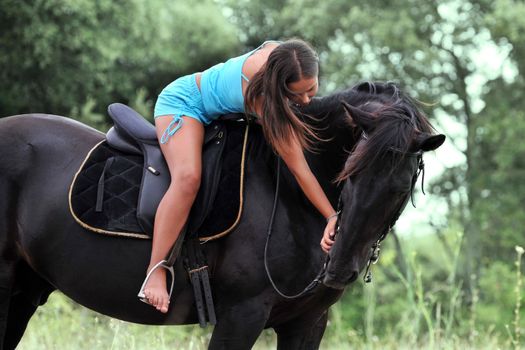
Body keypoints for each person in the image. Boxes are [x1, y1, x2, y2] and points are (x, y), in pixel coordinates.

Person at [138, 39, 339, 313]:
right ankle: (156, 271)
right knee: (188, 178)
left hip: (220, 115)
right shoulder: (261, 96)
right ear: (278, 85)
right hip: (185, 103)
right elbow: (297, 165)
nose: (305, 100)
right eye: (296, 95)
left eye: (311, 90)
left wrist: (331, 217)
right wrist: (330, 214)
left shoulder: (289, 55)